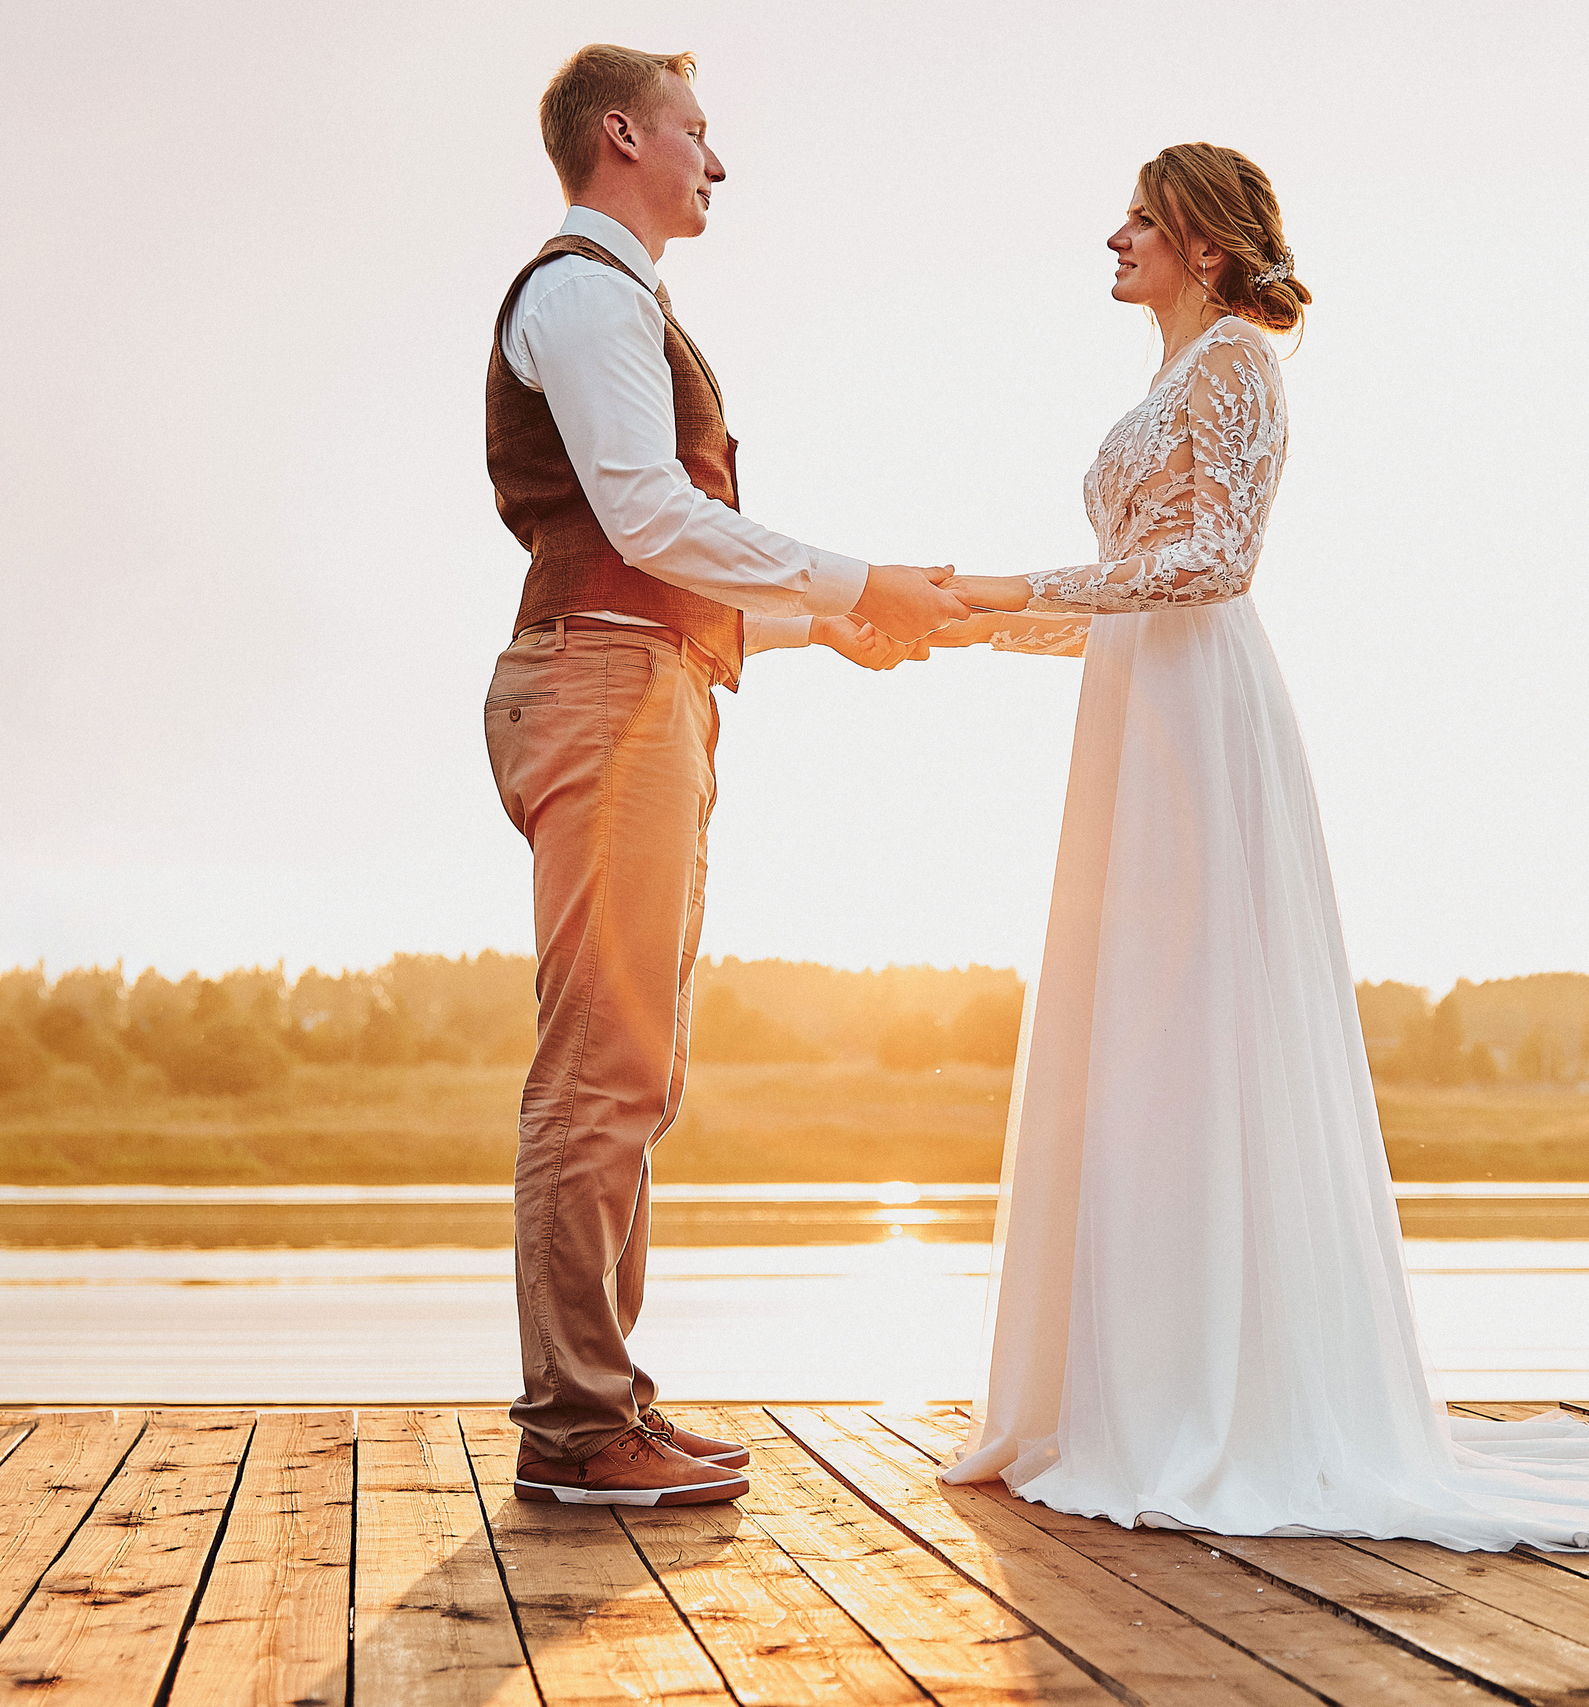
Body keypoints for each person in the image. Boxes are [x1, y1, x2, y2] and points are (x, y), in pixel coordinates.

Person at [930, 144, 1589, 1547]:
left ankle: (1218, 1403)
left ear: (1204, 243)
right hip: (1135, 704)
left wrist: (1007, 583)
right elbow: (1122, 593)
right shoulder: (1168, 378)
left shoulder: (1242, 363)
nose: (1113, 235)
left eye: (1141, 217)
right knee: (1129, 1032)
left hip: (1199, 717)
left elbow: (1216, 564)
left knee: (1198, 1027)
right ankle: (1122, 1387)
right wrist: (956, 618)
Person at [484, 44, 966, 1507]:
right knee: (600, 1065)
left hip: (643, 678)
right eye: (698, 131)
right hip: (610, 686)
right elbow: (649, 518)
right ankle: (577, 1431)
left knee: (638, 1061)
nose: (718, 159)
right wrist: (854, 573)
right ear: (624, 133)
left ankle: (603, 1407)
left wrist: (835, 620)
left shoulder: (618, 304)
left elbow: (664, 561)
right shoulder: (583, 295)